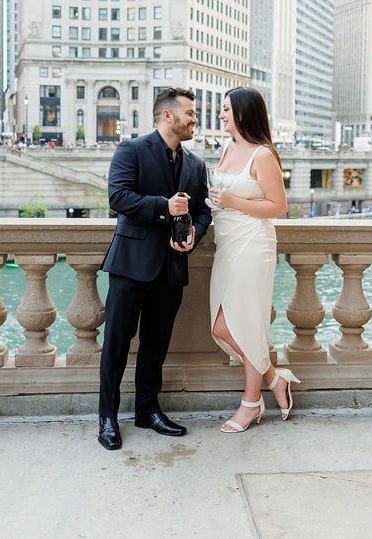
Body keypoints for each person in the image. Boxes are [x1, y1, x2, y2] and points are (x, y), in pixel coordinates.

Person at [97, 87, 212, 451]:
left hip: (172, 268)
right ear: (167, 115)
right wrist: (165, 207)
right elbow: (118, 198)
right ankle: (107, 418)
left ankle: (148, 411)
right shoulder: (131, 150)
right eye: (190, 113)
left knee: (156, 346)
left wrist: (196, 231)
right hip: (131, 265)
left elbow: (205, 211)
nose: (195, 119)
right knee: (116, 344)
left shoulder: (196, 164)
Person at [207, 87, 298, 433]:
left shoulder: (263, 155)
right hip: (226, 243)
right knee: (220, 325)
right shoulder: (227, 147)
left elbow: (278, 207)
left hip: (253, 244)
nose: (221, 115)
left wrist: (231, 201)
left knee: (245, 324)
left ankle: (250, 403)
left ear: (244, 112)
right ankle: (275, 380)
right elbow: (222, 198)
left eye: (227, 109)